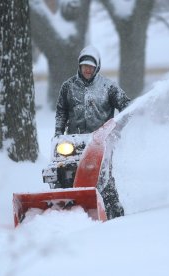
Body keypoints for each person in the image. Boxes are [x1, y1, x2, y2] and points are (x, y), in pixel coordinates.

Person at [54, 45, 131, 219]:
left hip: (101, 142)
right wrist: (59, 134)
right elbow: (61, 111)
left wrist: (114, 129)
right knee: (65, 172)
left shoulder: (109, 86)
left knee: (102, 178)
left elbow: (128, 107)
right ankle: (64, 210)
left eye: (91, 66)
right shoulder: (68, 87)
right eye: (84, 66)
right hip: (73, 141)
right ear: (79, 66)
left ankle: (113, 212)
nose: (88, 69)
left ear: (97, 67)